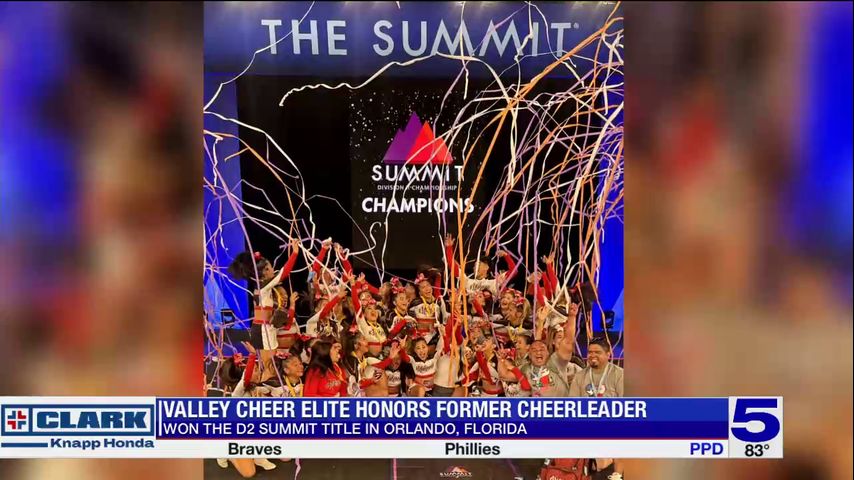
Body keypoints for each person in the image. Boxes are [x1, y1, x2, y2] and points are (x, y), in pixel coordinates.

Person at [569, 336, 625, 480]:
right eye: (590, 352)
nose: (592, 355)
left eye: (597, 352)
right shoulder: (580, 376)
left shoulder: (619, 374)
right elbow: (572, 405)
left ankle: (617, 474)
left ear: (608, 354)